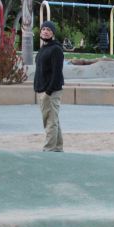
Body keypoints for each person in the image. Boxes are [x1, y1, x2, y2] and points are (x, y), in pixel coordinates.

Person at [33, 20, 64, 152]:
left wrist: (48, 92)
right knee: (53, 120)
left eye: (49, 30)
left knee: (50, 121)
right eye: (43, 29)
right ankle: (57, 147)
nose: (45, 31)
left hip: (50, 91)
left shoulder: (56, 49)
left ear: (53, 33)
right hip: (42, 90)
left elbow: (57, 73)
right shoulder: (43, 49)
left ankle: (49, 149)